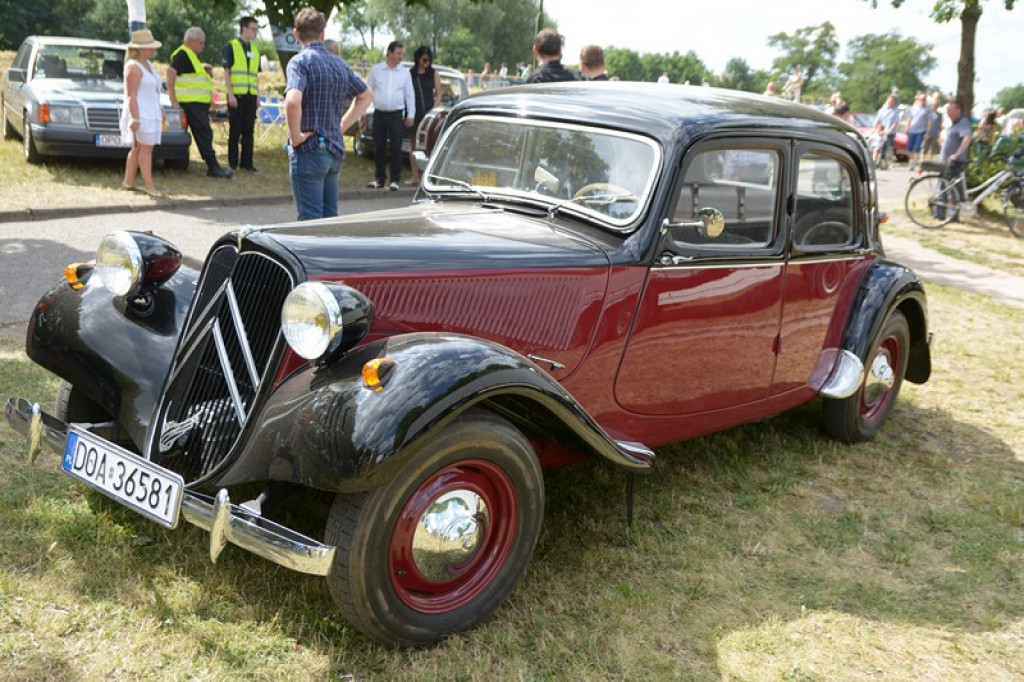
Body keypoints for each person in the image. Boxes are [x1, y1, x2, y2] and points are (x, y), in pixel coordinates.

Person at [284, 6, 372, 220]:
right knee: (330, 220)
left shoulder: (299, 62)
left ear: (296, 34)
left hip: (310, 149)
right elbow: (367, 95)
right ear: (322, 34)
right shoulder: (340, 64)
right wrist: (341, 126)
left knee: (310, 222)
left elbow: (293, 101)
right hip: (334, 150)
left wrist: (295, 137)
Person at [167, 27, 233, 178]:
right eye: (201, 43)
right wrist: (173, 100)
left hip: (195, 104)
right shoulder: (183, 54)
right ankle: (213, 168)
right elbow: (170, 73)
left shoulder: (189, 55)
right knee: (204, 135)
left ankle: (205, 166)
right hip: (191, 104)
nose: (203, 46)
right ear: (192, 41)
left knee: (201, 135)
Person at [364, 41, 415, 190]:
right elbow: (368, 92)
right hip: (379, 113)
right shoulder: (376, 70)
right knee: (379, 146)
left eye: (402, 54)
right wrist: (362, 113)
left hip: (396, 115)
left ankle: (394, 180)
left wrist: (410, 114)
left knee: (396, 147)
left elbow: (409, 95)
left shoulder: (405, 72)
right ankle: (379, 179)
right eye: (399, 53)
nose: (401, 56)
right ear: (390, 53)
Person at [120, 29, 165, 197]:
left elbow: (154, 91)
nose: (153, 50)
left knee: (139, 148)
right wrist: (135, 117)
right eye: (149, 47)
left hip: (150, 111)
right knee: (145, 149)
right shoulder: (133, 67)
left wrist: (160, 109)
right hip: (140, 113)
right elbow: (131, 95)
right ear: (139, 48)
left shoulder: (149, 65)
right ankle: (149, 186)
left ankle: (129, 181)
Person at [222, 16, 261, 173]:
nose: (255, 33)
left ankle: (247, 164)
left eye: (256, 30)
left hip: (250, 95)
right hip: (236, 95)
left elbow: (255, 76)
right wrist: (230, 94)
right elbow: (226, 72)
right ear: (244, 28)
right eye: (253, 29)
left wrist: (258, 96)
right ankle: (232, 164)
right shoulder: (231, 46)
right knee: (235, 130)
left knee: (248, 131)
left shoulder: (255, 50)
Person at [407, 45, 440, 186]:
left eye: (428, 56)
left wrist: (433, 110)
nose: (426, 59)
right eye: (423, 56)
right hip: (414, 112)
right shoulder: (411, 73)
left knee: (430, 146)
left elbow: (438, 94)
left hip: (428, 113)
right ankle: (414, 177)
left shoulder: (434, 73)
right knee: (413, 146)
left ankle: (429, 178)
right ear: (418, 57)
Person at [940, 98, 972, 202]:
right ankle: (940, 212)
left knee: (951, 188)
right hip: (948, 161)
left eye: (950, 109)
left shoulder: (963, 122)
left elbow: (967, 138)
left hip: (955, 162)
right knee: (944, 185)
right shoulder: (954, 123)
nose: (948, 111)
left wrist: (957, 154)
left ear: (958, 110)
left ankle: (950, 213)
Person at [873, 94, 901, 168]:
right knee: (879, 147)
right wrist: (874, 130)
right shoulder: (882, 109)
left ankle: (888, 162)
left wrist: (889, 131)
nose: (890, 102)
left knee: (888, 147)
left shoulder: (895, 111)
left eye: (892, 101)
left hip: (890, 132)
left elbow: (895, 122)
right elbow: (877, 120)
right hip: (881, 130)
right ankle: (877, 161)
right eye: (889, 100)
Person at [905, 92, 930, 169]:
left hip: (921, 131)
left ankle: (914, 163)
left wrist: (927, 132)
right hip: (912, 130)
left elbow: (929, 121)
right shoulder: (913, 108)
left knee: (917, 148)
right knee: (909, 148)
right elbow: (909, 118)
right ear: (918, 99)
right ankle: (912, 161)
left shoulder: (927, 109)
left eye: (924, 99)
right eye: (921, 99)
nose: (922, 100)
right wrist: (907, 128)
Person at [922, 96, 942, 160]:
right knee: (925, 148)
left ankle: (931, 161)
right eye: (933, 105)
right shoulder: (927, 113)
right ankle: (923, 160)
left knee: (933, 149)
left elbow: (940, 126)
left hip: (935, 134)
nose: (934, 106)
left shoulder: (939, 115)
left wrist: (939, 135)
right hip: (927, 133)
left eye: (936, 105)